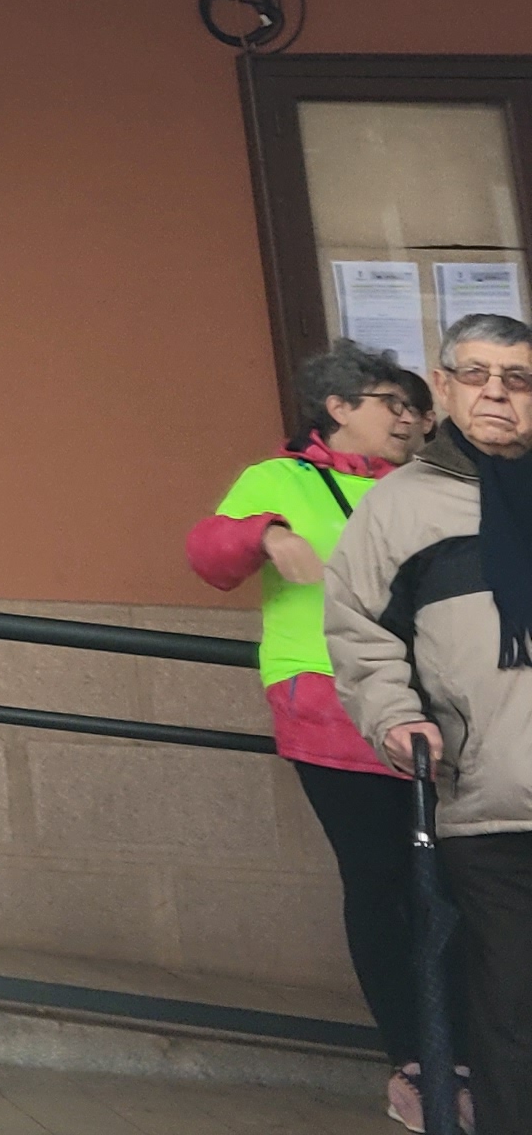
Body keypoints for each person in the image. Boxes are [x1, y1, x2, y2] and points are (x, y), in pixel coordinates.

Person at [187, 341, 445, 1127]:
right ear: (337, 409)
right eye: (388, 404)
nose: (407, 419)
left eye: (413, 407)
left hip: (437, 711)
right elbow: (208, 550)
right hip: (329, 708)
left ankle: (462, 1046)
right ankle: (412, 1056)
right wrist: (266, 535)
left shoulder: (426, 483)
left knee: (459, 889)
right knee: (384, 883)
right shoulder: (281, 479)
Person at [327, 311, 532, 1135]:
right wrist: (395, 718)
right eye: (477, 375)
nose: (496, 394)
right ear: (443, 387)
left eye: (516, 379)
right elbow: (359, 633)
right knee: (511, 1010)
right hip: (489, 804)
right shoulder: (400, 508)